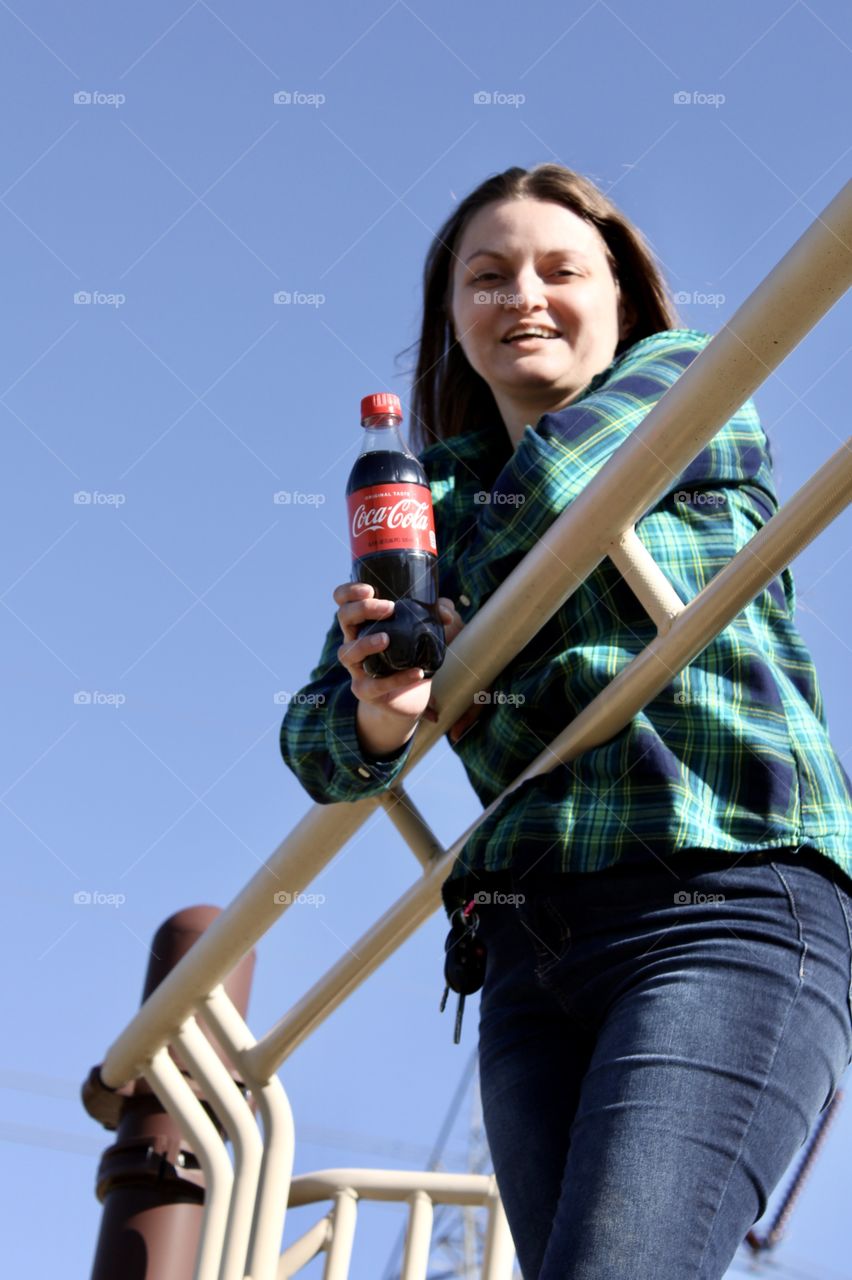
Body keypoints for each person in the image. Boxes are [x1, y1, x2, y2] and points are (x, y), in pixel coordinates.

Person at [280, 164, 852, 1279]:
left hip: (723, 895)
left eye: (560, 269)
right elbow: (314, 742)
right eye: (488, 277)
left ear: (620, 298)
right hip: (526, 950)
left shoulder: (692, 380)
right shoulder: (429, 494)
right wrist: (383, 705)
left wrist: (442, 623)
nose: (524, 296)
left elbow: (557, 495)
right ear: (453, 318)